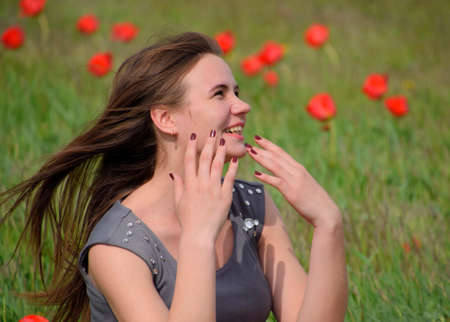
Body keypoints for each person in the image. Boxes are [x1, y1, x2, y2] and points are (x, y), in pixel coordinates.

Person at [1, 32, 348, 322]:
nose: (242, 106)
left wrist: (328, 223)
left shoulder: (251, 207)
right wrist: (198, 236)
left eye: (236, 92)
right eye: (219, 94)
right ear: (166, 119)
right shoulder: (118, 247)